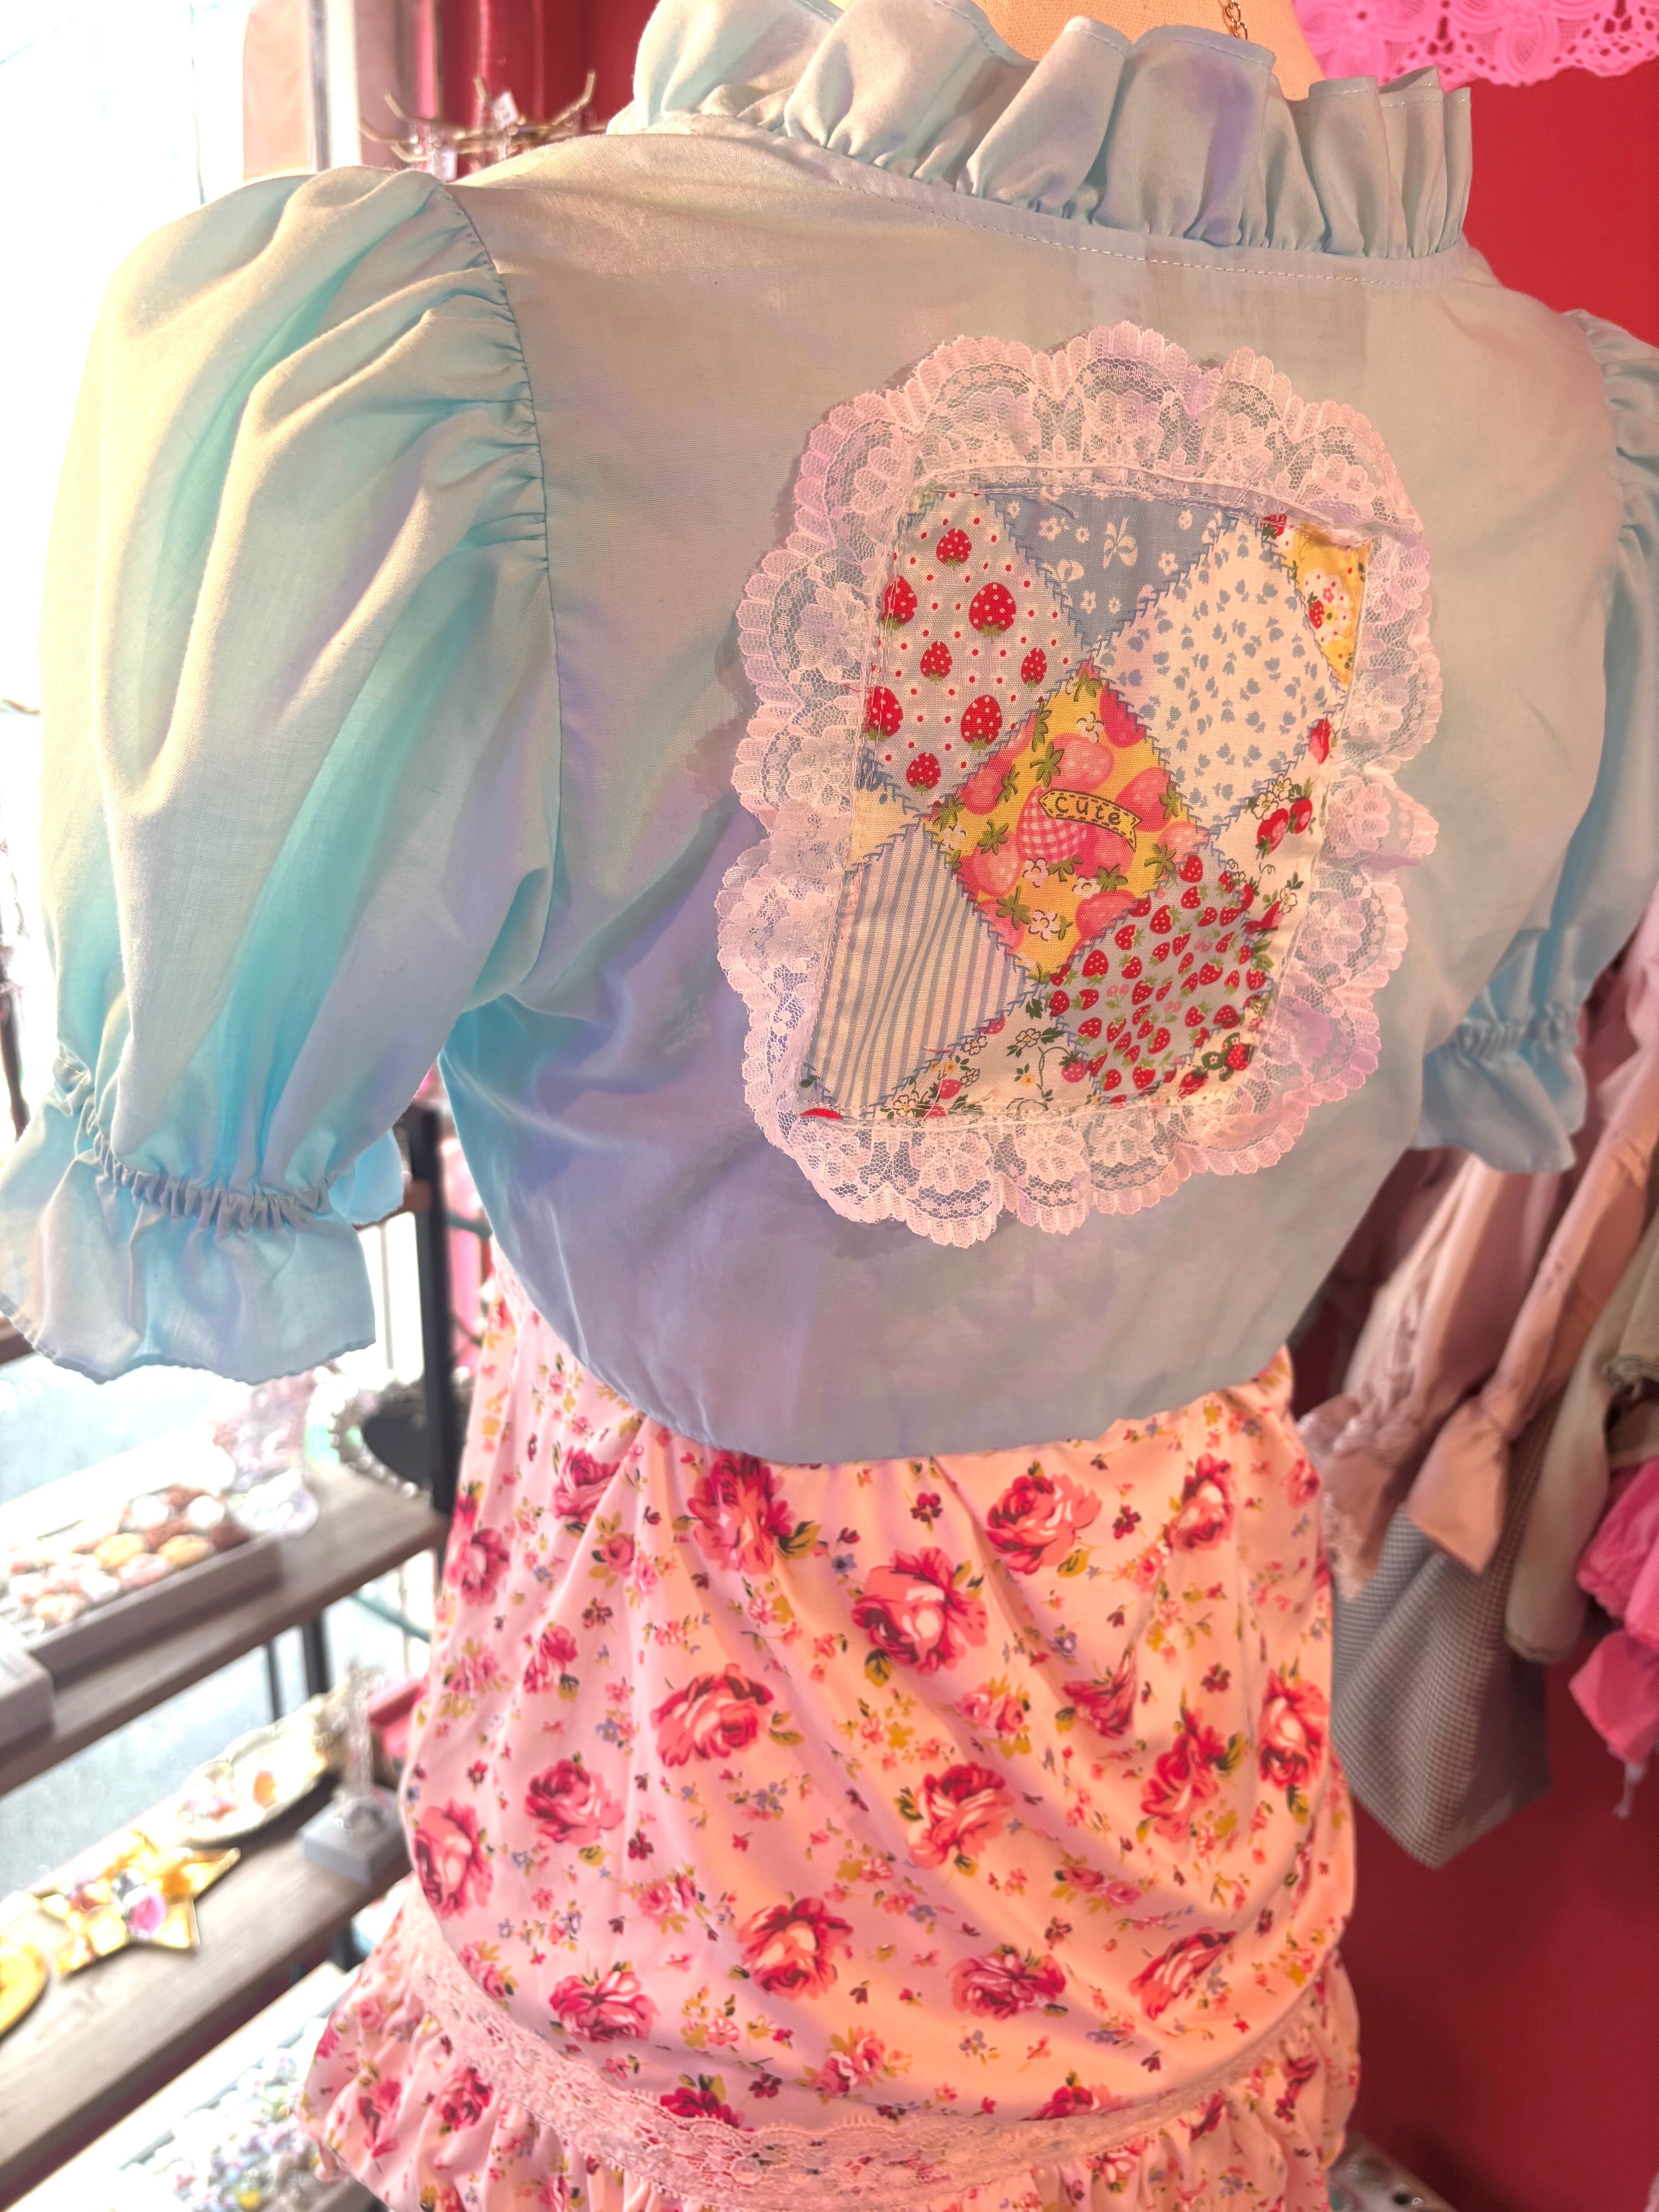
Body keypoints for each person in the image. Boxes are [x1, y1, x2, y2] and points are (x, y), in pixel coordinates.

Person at [3, 1, 1656, 2206]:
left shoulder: (494, 351)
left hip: (707, 1882)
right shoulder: (1552, 429)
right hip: (1160, 1810)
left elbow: (199, 1134)